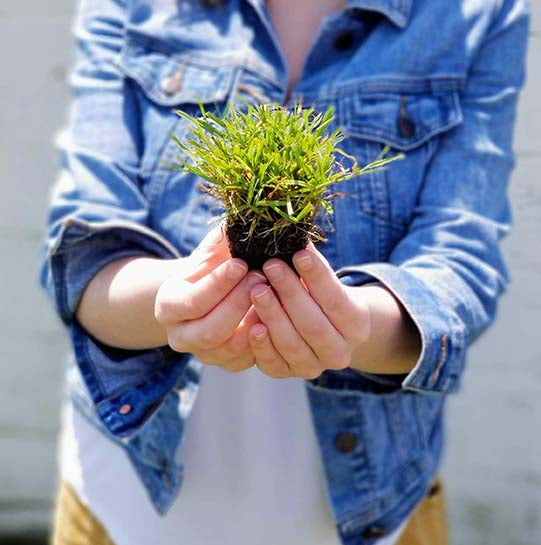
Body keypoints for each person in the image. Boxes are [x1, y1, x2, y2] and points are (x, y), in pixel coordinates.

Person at [39, 0, 530, 544]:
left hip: (372, 512)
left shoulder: (479, 12)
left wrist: (354, 326)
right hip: (123, 500)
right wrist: (173, 302)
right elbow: (83, 250)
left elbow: (460, 260)